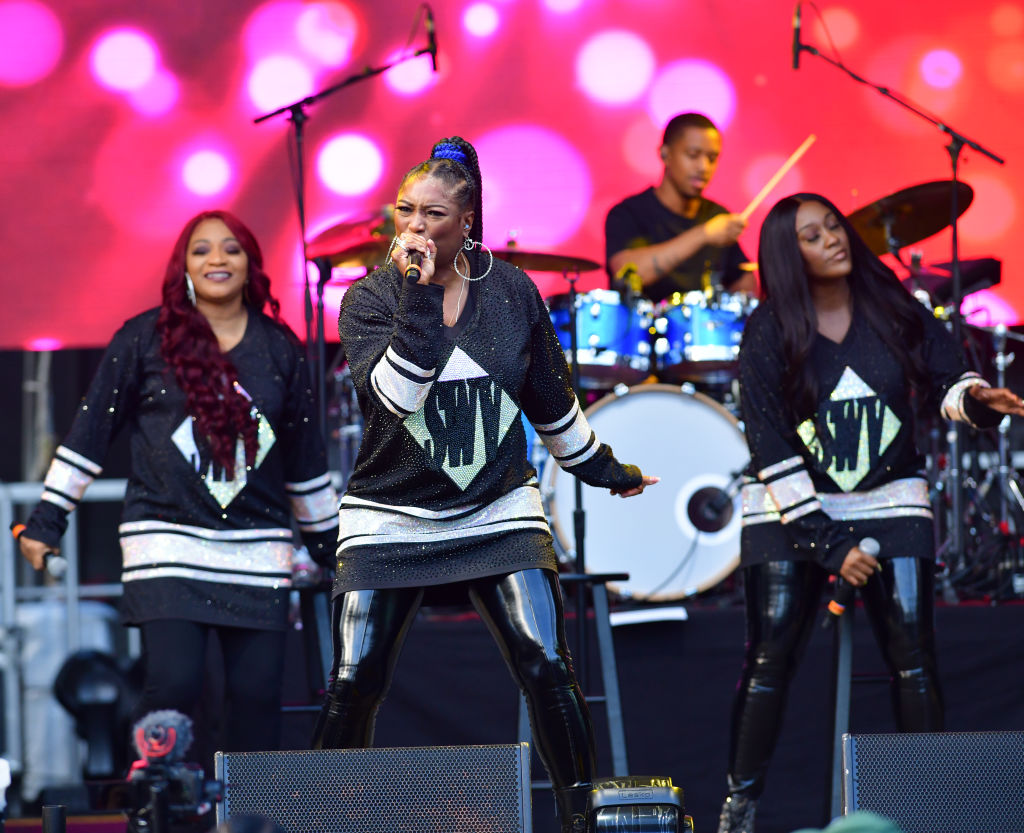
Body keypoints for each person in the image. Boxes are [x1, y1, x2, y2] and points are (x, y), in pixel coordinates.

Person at [311, 136, 658, 833]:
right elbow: (395, 400)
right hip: (390, 515)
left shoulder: (513, 292)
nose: (414, 226)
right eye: (405, 210)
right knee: (357, 680)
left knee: (546, 662)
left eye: (433, 214)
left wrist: (607, 469)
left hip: (497, 505)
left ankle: (581, 820)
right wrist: (417, 293)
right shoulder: (370, 299)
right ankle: (324, 820)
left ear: (467, 222)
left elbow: (552, 405)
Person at [715, 192, 1024, 833]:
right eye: (811, 235)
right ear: (785, 254)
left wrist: (978, 401)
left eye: (834, 226)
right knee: (771, 657)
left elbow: (947, 383)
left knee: (913, 655)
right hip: (791, 503)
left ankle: (927, 806)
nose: (832, 239)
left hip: (889, 499)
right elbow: (769, 447)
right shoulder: (769, 330)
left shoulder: (892, 308)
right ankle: (740, 805)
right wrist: (828, 543)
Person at [17, 210, 339, 765]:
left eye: (231, 249)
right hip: (165, 542)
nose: (217, 259)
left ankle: (249, 823)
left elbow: (306, 463)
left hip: (257, 551)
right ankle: (162, 815)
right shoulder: (144, 339)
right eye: (201, 250)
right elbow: (89, 437)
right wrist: (47, 521)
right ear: (183, 267)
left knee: (259, 699)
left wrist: (337, 554)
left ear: (251, 264)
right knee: (174, 688)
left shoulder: (279, 349)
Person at [605, 112, 754, 303]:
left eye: (712, 158)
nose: (703, 167)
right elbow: (626, 275)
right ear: (665, 154)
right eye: (693, 155)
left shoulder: (717, 216)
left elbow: (744, 284)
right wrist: (705, 234)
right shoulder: (627, 214)